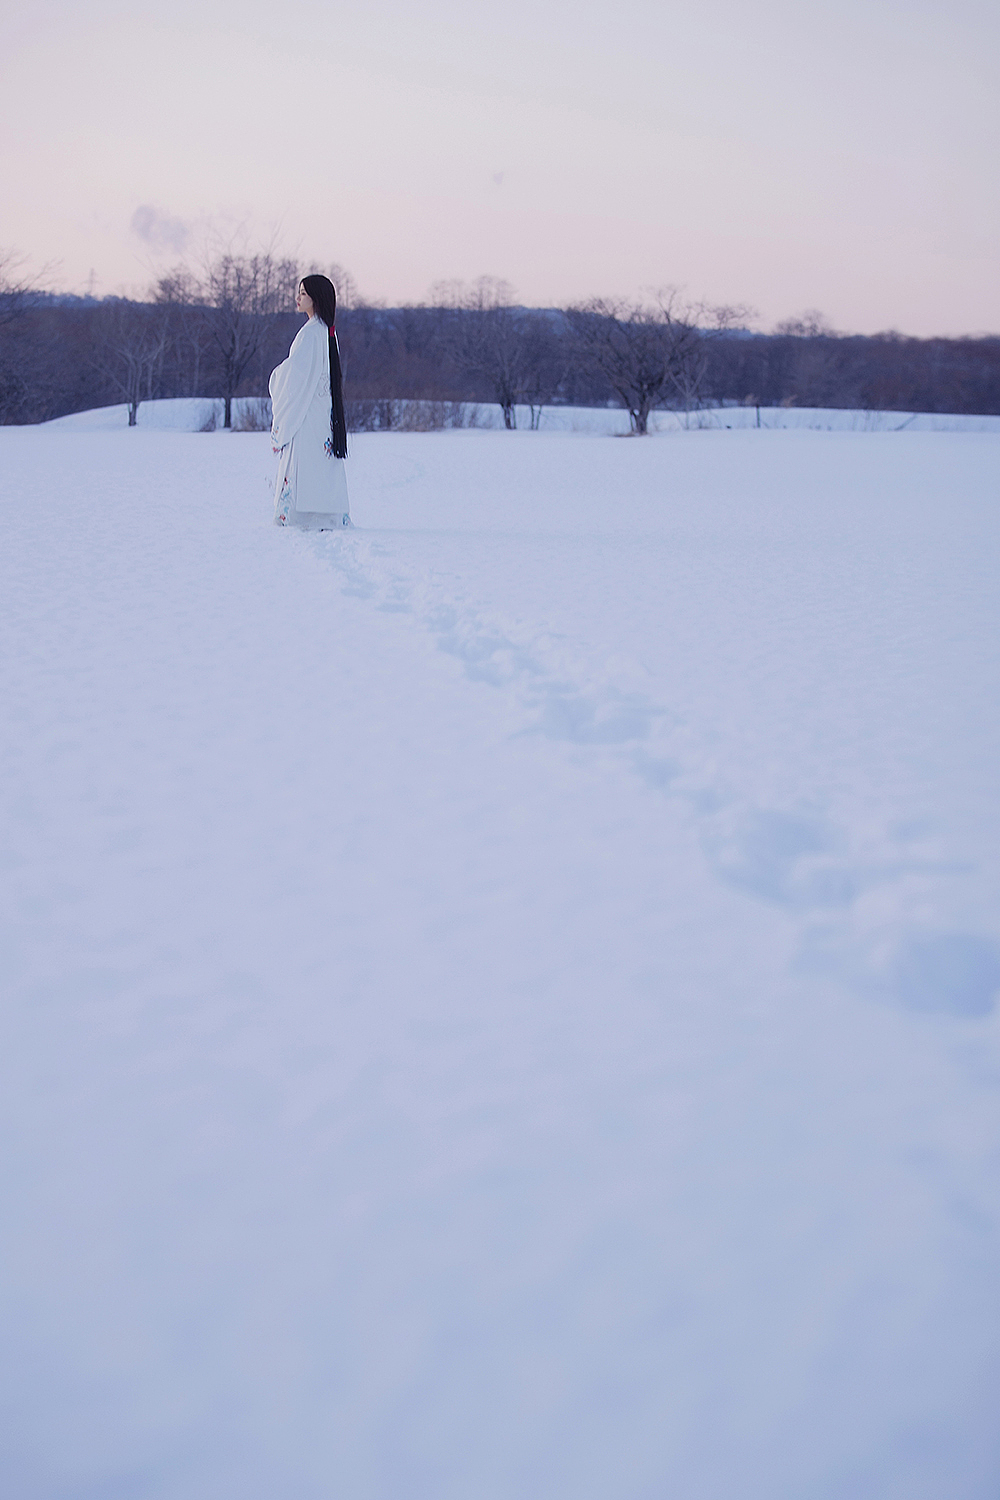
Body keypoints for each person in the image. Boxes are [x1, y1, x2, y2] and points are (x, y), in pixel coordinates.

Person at [269, 275, 351, 529]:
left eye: (303, 293)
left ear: (315, 298)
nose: (298, 297)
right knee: (322, 462)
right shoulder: (327, 333)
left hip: (306, 411)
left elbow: (295, 376)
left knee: (303, 460)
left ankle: (300, 516)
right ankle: (327, 513)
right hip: (324, 413)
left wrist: (276, 377)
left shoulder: (310, 334)